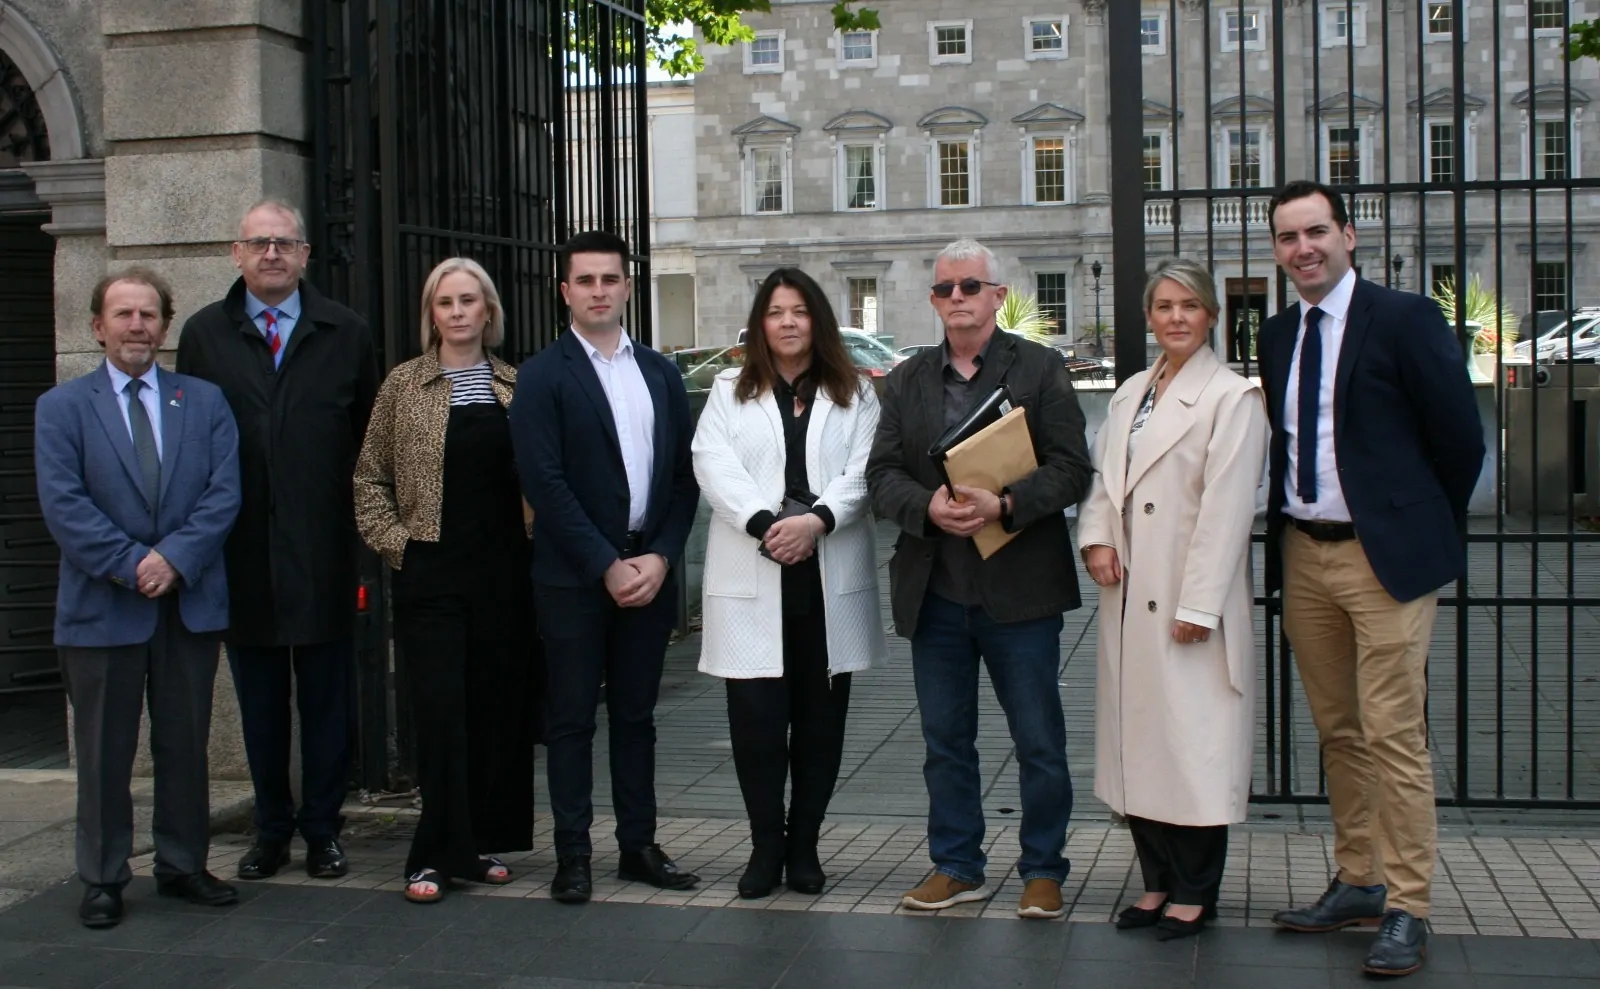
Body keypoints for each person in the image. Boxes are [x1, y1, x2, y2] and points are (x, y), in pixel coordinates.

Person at [1259, 180, 1484, 977]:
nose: (1303, 248)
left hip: (1383, 557)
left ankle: (1408, 904)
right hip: (1304, 555)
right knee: (1339, 731)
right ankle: (1358, 878)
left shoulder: (1406, 318)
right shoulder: (1279, 332)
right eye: (1288, 237)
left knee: (1394, 732)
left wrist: (1414, 526)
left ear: (1348, 234)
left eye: (1316, 230)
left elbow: (1459, 440)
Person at [866, 238, 1093, 920]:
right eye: (945, 289)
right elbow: (881, 477)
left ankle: (1044, 867)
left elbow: (1073, 466)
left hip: (1020, 589)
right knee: (945, 740)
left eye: (970, 286)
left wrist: (1008, 504)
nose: (957, 298)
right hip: (935, 590)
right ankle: (958, 862)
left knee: (1039, 739)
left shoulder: (1040, 368)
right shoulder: (906, 380)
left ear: (997, 294)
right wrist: (927, 507)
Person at [176, 199, 380, 882]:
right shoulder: (205, 335)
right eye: (258, 243)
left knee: (328, 700)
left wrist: (363, 541)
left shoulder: (345, 331)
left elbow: (367, 447)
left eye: (284, 243)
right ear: (236, 253)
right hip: (241, 552)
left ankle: (323, 828)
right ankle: (271, 829)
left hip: (323, 547)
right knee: (260, 703)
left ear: (304, 256)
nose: (271, 254)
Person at [35, 268, 242, 928]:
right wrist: (134, 565)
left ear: (164, 325)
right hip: (102, 607)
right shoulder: (62, 408)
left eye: (148, 314)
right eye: (122, 314)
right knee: (104, 753)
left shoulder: (203, 401)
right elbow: (64, 506)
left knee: (184, 744)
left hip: (186, 603)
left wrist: (175, 560)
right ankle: (102, 876)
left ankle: (183, 864)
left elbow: (223, 493)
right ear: (97, 325)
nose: (136, 326)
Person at [1077, 259, 1268, 941]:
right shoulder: (1133, 390)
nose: (1176, 317)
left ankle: (1194, 889)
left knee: (1193, 747)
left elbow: (1226, 512)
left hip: (1187, 600)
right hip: (1130, 593)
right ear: (1149, 316)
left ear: (1211, 313)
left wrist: (1200, 605)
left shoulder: (1232, 397)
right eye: (1163, 306)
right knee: (1141, 743)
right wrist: (1097, 536)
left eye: (1189, 305)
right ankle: (1155, 880)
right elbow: (1107, 476)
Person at [510, 230, 700, 903]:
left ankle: (638, 845)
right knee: (570, 718)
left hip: (649, 571)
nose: (598, 290)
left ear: (626, 286)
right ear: (565, 291)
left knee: (637, 715)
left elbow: (683, 479)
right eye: (584, 280)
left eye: (609, 279)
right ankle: (573, 852)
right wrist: (604, 564)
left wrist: (659, 555)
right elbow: (545, 481)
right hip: (572, 578)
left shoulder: (661, 373)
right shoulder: (540, 376)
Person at [691, 268, 889, 899]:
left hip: (824, 574)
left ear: (818, 320)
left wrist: (817, 521)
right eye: (775, 311)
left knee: (819, 723)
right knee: (755, 724)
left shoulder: (855, 390)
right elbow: (711, 462)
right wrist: (764, 523)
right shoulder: (730, 389)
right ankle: (764, 846)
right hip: (756, 565)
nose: (787, 322)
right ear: (759, 322)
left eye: (799, 311)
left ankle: (804, 846)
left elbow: (865, 470)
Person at [353, 258, 538, 903]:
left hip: (503, 575)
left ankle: (476, 843)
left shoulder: (516, 386)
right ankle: (431, 854)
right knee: (439, 713)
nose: (457, 312)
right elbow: (368, 476)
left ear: (488, 310)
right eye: (445, 302)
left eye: (469, 300)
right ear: (431, 313)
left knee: (491, 710)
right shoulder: (405, 385)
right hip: (431, 572)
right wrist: (398, 546)